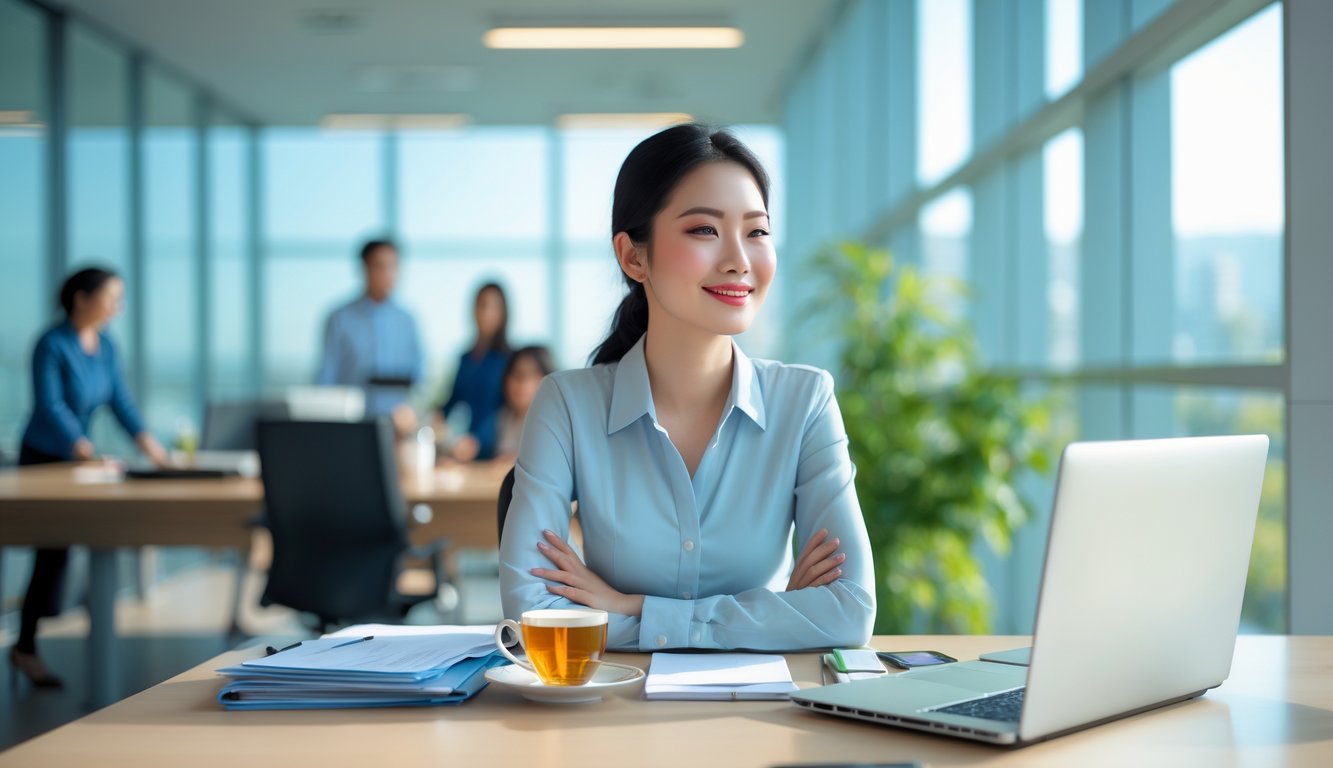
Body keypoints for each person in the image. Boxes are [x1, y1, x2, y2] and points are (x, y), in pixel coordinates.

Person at [499, 124, 875, 651]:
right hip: (609, 711)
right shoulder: (567, 405)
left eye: (757, 231)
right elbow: (534, 613)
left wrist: (631, 608)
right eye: (704, 230)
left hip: (764, 718)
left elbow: (848, 612)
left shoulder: (805, 403)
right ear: (634, 257)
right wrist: (776, 617)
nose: (739, 259)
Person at [11, 267, 169, 687]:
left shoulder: (106, 347)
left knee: (69, 550)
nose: (118, 305)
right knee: (51, 554)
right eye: (111, 296)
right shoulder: (52, 343)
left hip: (80, 461)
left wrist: (155, 450)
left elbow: (121, 402)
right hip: (44, 457)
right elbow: (50, 406)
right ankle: (26, 648)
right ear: (81, 298)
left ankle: (33, 642)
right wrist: (84, 450)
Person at [317, 239, 422, 431]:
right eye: (381, 266)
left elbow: (419, 377)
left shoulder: (407, 321)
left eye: (393, 266)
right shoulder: (340, 319)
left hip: (397, 427)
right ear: (364, 268)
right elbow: (326, 380)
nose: (388, 274)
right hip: (351, 426)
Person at [439, 282, 510, 461]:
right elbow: (452, 401)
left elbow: (505, 410)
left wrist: (477, 440)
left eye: (494, 307)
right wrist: (434, 421)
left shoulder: (509, 359)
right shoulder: (465, 358)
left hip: (499, 448)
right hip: (466, 449)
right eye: (482, 305)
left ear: (504, 313)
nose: (486, 313)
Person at [492, 345, 557, 463]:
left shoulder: (552, 423)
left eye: (532, 374)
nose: (523, 382)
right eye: (516, 373)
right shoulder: (502, 417)